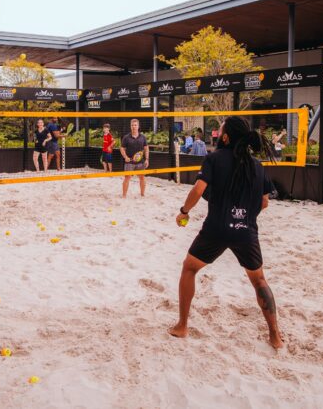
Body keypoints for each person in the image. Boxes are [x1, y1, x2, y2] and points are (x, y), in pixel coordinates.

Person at [170, 116, 283, 349]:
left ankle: (182, 326)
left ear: (226, 136)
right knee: (259, 280)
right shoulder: (256, 165)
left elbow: (198, 189)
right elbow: (264, 203)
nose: (217, 132)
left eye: (220, 129)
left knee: (189, 268)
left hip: (216, 229)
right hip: (246, 231)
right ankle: (275, 336)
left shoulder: (214, 159)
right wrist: (245, 218)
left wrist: (184, 211)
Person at [120, 118, 149, 198]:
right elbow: (122, 148)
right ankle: (124, 195)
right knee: (127, 178)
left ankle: (142, 194)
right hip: (129, 162)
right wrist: (125, 157)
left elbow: (146, 148)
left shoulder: (142, 137)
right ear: (130, 126)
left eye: (135, 125)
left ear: (138, 126)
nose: (134, 127)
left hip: (141, 162)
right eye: (132, 125)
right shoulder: (126, 137)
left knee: (142, 178)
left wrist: (147, 159)